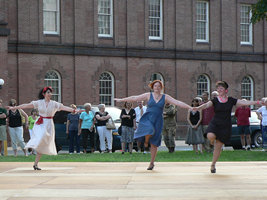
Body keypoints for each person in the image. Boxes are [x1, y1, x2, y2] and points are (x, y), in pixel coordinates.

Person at [115, 80, 192, 170]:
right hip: (148, 118)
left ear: (161, 88)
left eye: (159, 86)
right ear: (152, 87)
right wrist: (122, 100)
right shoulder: (148, 95)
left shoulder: (165, 97)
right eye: (155, 86)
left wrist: (190, 107)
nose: (157, 88)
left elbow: (177, 102)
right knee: (149, 130)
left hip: (158, 121)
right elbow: (135, 98)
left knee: (154, 143)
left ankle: (151, 163)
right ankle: (146, 142)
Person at [7, 86, 81, 170]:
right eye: (48, 92)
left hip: (49, 124)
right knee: (40, 138)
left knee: (42, 145)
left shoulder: (54, 103)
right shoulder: (39, 102)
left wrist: (75, 110)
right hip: (40, 123)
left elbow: (64, 108)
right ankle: (31, 146)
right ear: (44, 94)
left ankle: (35, 164)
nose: (50, 94)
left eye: (50, 92)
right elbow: (26, 105)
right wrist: (14, 107)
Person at [195, 81, 262, 173]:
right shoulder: (214, 100)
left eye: (221, 88)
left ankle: (213, 165)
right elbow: (207, 105)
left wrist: (258, 102)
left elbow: (243, 102)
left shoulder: (231, 100)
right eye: (218, 88)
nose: (219, 90)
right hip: (215, 123)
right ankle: (211, 142)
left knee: (218, 146)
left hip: (225, 125)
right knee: (210, 136)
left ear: (226, 90)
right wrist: (199, 108)